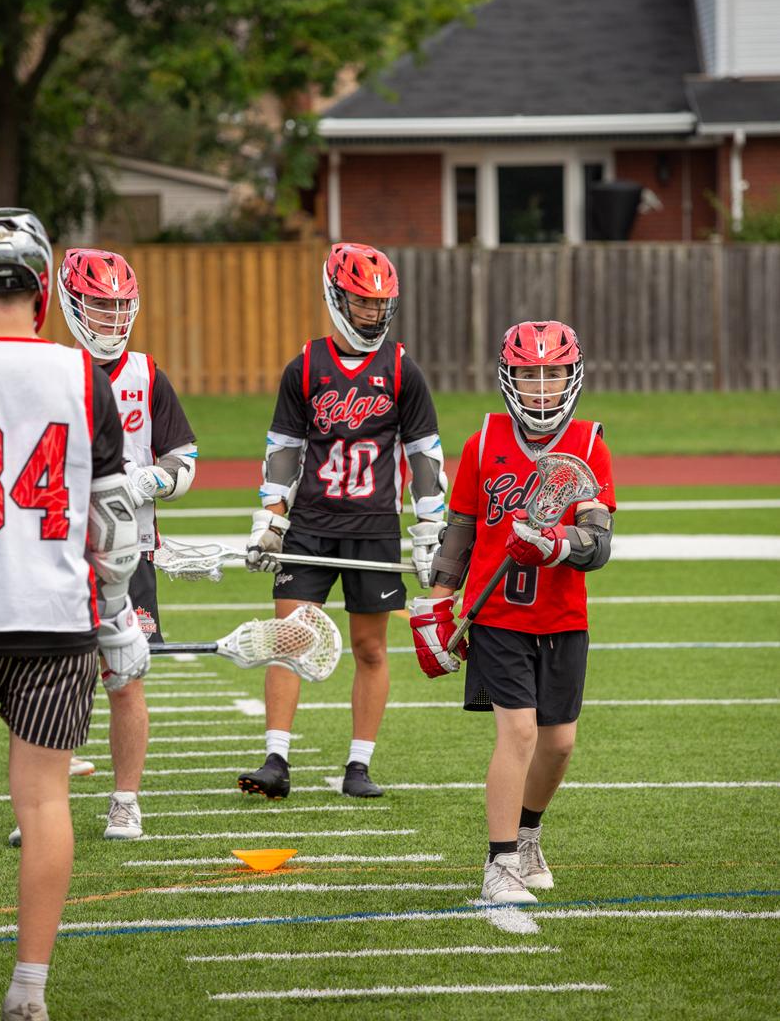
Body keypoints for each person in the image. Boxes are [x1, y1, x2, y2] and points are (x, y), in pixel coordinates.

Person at [0, 208, 149, 1020]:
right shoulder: (83, 374)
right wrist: (117, 616)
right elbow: (113, 524)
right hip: (53, 616)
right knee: (42, 801)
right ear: (41, 292)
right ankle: (28, 993)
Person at [410, 320, 615, 904]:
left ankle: (527, 836)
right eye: (529, 375)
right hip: (497, 614)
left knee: (559, 742)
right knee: (519, 731)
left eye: (552, 374)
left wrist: (556, 544)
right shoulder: (483, 442)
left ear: (571, 377)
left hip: (562, 616)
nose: (541, 387)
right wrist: (440, 600)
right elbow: (462, 529)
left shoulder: (589, 444)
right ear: (510, 378)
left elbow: (599, 542)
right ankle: (499, 864)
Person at [238, 242, 446, 799]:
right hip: (310, 524)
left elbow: (424, 454)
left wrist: (429, 528)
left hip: (374, 528)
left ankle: (359, 765)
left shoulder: (401, 369)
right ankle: (276, 759)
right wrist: (271, 518)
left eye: (380, 302)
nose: (372, 312)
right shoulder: (306, 366)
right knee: (288, 639)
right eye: (361, 301)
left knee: (370, 648)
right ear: (335, 297)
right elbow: (284, 449)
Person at [56, 248, 197, 839]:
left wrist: (152, 480)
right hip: (59, 549)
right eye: (98, 305)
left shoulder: (147, 374)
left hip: (128, 551)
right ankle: (46, 801)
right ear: (70, 303)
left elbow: (185, 461)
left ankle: (125, 800)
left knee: (125, 677)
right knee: (56, 679)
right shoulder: (52, 371)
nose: (111, 318)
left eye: (119, 306)